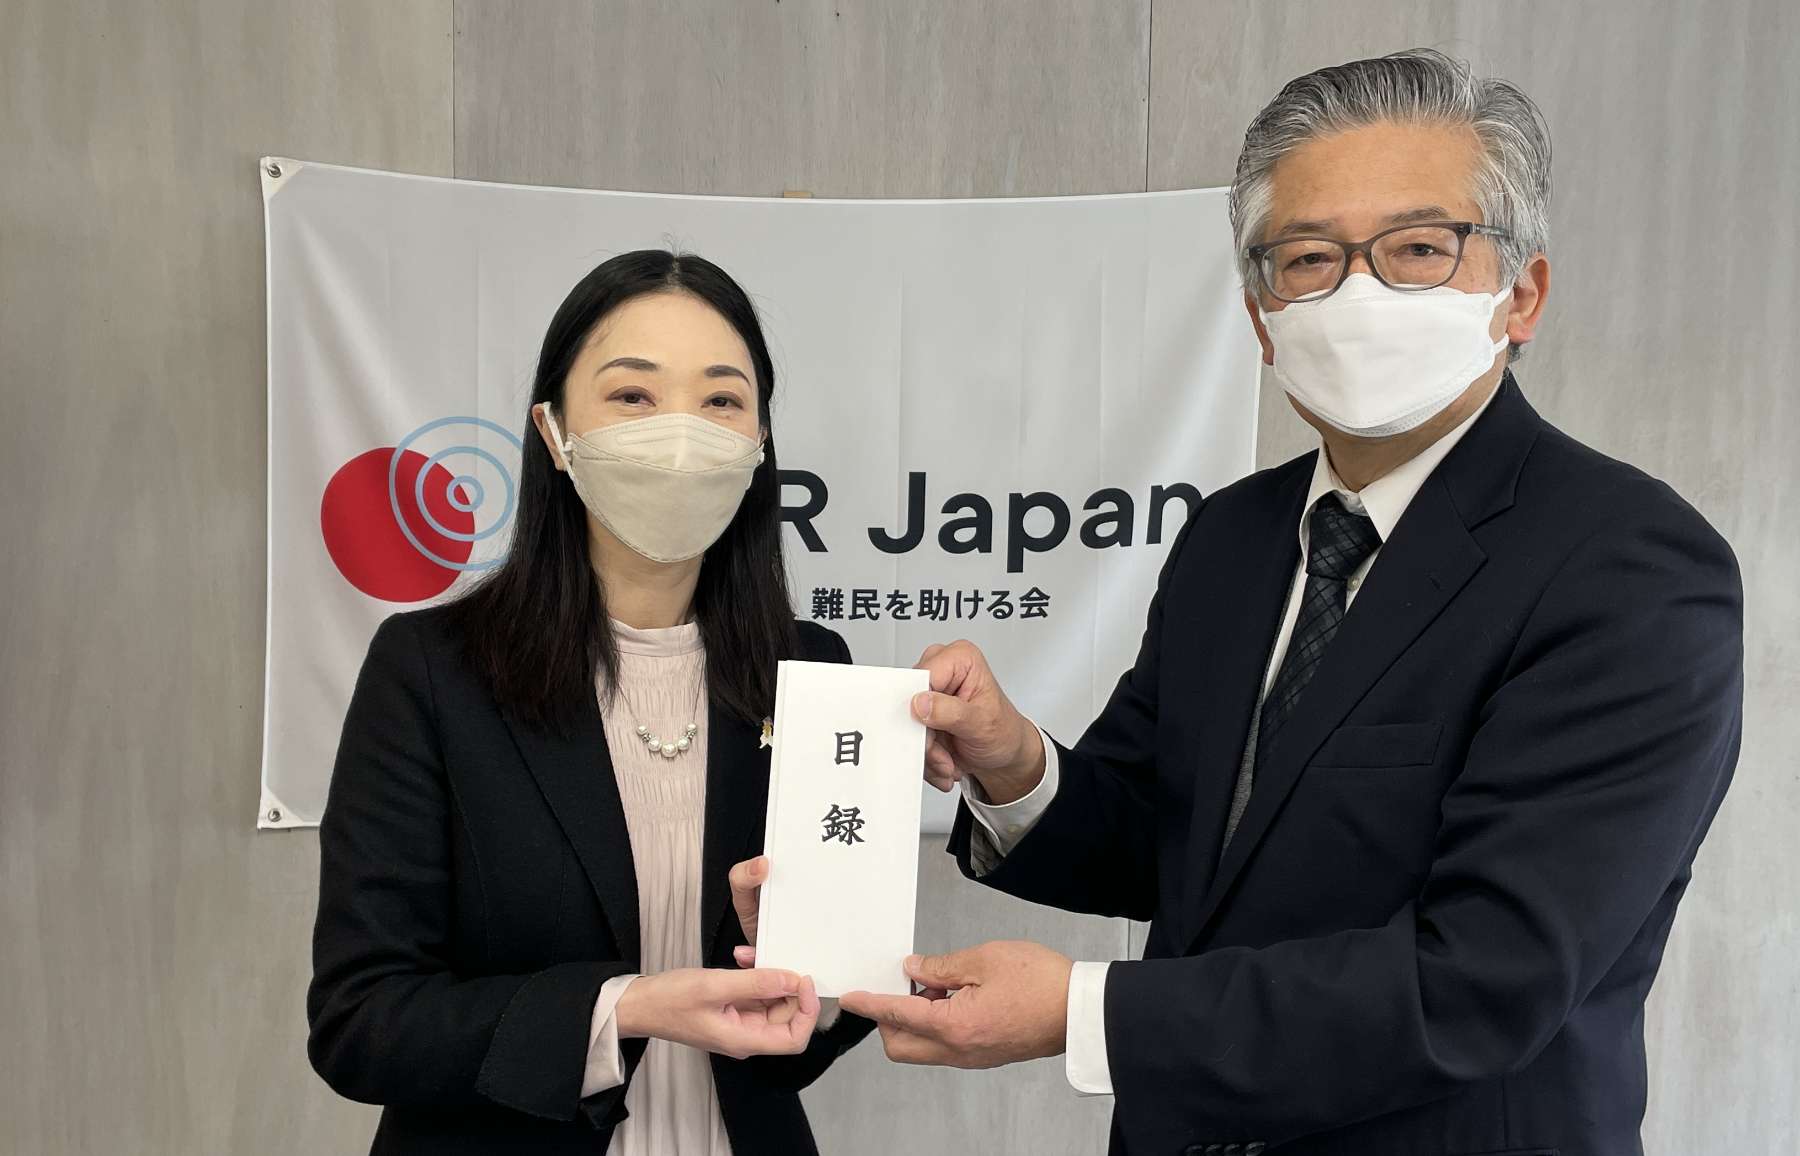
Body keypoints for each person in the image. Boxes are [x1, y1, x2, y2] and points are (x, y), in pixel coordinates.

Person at [840, 49, 1743, 1156]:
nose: (1361, 292)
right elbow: (1170, 838)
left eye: (1420, 249)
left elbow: (1481, 980)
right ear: (1264, 321)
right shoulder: (1232, 537)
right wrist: (1013, 761)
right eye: (1310, 258)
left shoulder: (1630, 565)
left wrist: (1084, 1013)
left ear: (1522, 294)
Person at [307, 250, 873, 1155]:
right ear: (554, 430)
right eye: (634, 397)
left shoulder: (812, 669)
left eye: (721, 400)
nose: (681, 432)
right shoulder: (430, 671)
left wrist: (813, 974)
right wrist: (627, 1008)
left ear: (760, 441)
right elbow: (361, 1020)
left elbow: (806, 1040)